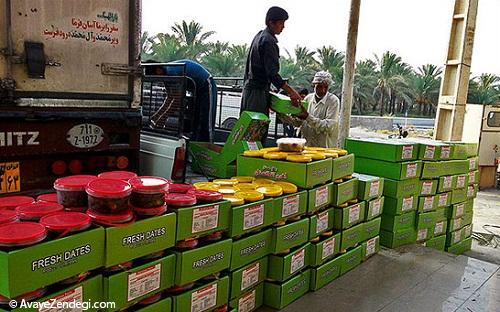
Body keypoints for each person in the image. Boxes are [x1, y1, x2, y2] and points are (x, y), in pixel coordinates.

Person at [240, 6, 301, 116]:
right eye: (281, 23)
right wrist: (291, 92)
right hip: (257, 93)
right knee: (256, 129)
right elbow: (272, 73)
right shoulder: (268, 41)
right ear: (271, 23)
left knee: (247, 128)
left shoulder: (259, 36)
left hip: (249, 91)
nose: (283, 27)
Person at [293, 71, 340, 148]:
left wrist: (307, 117)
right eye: (319, 87)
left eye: (326, 87)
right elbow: (299, 123)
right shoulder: (308, 99)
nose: (322, 90)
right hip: (307, 147)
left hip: (325, 149)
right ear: (314, 85)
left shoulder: (333, 101)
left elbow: (328, 126)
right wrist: (284, 113)